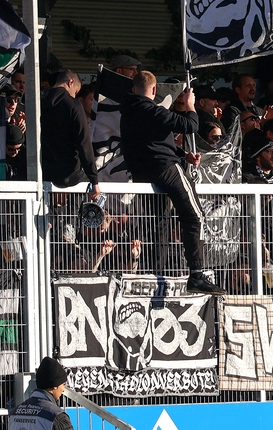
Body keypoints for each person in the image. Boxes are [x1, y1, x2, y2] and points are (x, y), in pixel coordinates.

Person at [119, 71, 223, 294]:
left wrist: (182, 154)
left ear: (134, 89)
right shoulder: (152, 110)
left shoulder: (128, 113)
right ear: (154, 90)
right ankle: (197, 274)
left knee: (158, 225)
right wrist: (191, 105)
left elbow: (152, 141)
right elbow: (190, 125)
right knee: (195, 216)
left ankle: (155, 273)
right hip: (166, 170)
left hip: (143, 173)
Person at [40, 70, 100, 197]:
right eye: (76, 92)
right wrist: (94, 179)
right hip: (69, 173)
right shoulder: (73, 105)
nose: (74, 95)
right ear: (70, 82)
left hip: (43, 171)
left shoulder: (38, 101)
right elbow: (84, 143)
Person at [8, 356, 82, 430]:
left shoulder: (14, 413)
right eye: (63, 384)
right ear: (55, 385)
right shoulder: (56, 416)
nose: (63, 389)